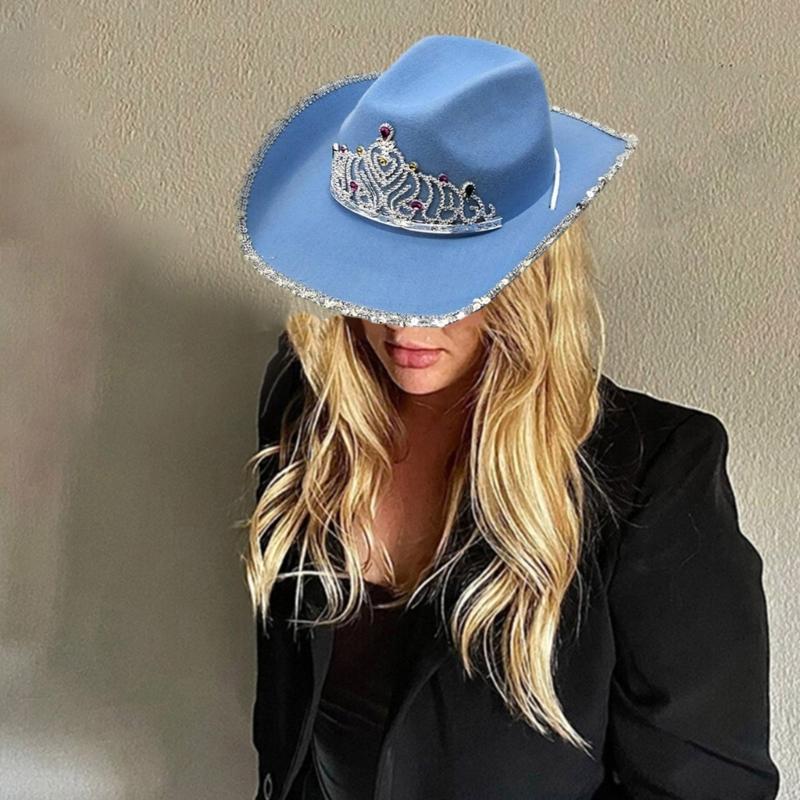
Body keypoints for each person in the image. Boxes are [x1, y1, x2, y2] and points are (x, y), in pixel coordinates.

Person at [237, 34, 780, 800]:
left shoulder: (653, 476)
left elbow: (704, 788)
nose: (405, 321)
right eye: (381, 266)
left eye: (448, 276)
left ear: (530, 275)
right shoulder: (310, 405)